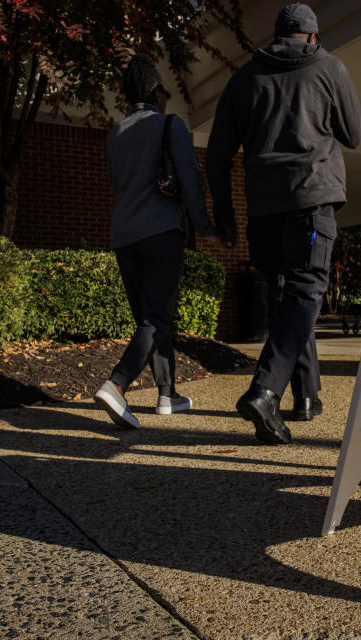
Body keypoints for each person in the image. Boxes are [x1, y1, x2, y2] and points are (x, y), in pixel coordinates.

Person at [206, 3, 361, 444]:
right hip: (311, 201)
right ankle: (265, 389)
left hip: (262, 209)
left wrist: (226, 214)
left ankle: (307, 395)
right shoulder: (329, 67)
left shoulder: (243, 79)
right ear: (312, 36)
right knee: (306, 293)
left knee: (286, 297)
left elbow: (217, 157)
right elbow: (355, 133)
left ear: (276, 34)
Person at [94, 54, 229, 428]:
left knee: (150, 317)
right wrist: (206, 229)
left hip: (124, 235)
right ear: (157, 91)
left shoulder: (114, 134)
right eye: (165, 90)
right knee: (157, 316)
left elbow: (118, 185)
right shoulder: (171, 125)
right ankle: (117, 384)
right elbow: (190, 181)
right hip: (161, 231)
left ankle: (168, 394)